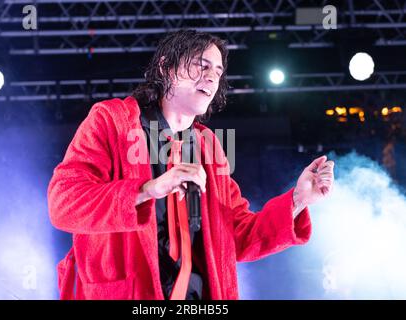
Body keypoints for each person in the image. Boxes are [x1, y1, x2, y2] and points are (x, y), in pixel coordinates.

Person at [47, 29, 335, 300]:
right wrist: (149, 189)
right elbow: (63, 204)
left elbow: (237, 235)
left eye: (218, 71)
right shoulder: (111, 121)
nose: (212, 78)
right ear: (165, 68)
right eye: (202, 65)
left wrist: (297, 200)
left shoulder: (209, 145)